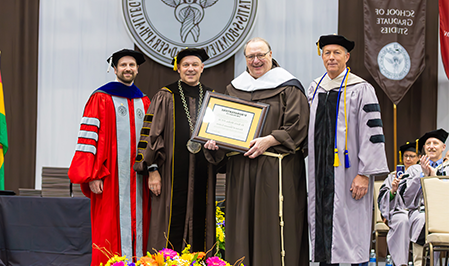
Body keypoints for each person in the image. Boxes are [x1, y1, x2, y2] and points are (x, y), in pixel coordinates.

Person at [204, 37, 310, 266]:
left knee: (273, 227)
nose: (256, 60)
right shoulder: (234, 88)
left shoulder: (289, 87)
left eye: (261, 55)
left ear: (271, 54)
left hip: (276, 171)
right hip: (241, 172)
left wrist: (270, 140)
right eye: (251, 56)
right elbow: (224, 129)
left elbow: (298, 126)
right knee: (241, 228)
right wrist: (215, 143)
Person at [307, 34, 389, 265]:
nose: (331, 57)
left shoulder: (361, 88)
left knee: (352, 230)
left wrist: (364, 174)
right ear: (321, 56)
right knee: (323, 229)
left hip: (350, 171)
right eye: (327, 53)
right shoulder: (315, 88)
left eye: (337, 53)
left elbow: (372, 133)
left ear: (347, 56)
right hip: (320, 173)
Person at [68, 49, 151, 266]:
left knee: (140, 226)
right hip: (110, 178)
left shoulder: (144, 102)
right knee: (108, 227)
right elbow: (89, 139)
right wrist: (93, 175)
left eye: (132, 65)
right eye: (123, 65)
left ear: (137, 69)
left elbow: (152, 142)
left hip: (139, 181)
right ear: (114, 69)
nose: (128, 69)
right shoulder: (101, 98)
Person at [133, 48, 217, 255]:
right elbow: (151, 135)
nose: (190, 69)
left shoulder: (213, 98)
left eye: (195, 65)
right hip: (170, 175)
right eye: (186, 65)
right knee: (168, 221)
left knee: (201, 224)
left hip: (202, 173)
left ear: (202, 68)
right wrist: (152, 170)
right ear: (178, 69)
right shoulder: (165, 95)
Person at [402, 128, 448, 266]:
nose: (431, 146)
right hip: (419, 211)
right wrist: (421, 176)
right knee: (423, 219)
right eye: (428, 143)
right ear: (424, 148)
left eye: (435, 143)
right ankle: (420, 262)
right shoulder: (413, 169)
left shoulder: (448, 167)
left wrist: (433, 176)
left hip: (445, 214)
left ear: (443, 147)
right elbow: (407, 199)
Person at [377, 141, 419, 266]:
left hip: (416, 212)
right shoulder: (392, 176)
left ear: (418, 158)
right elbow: (383, 198)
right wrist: (393, 191)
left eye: (412, 156)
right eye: (405, 156)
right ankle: (401, 263)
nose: (408, 159)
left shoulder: (421, 174)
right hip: (398, 212)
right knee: (403, 220)